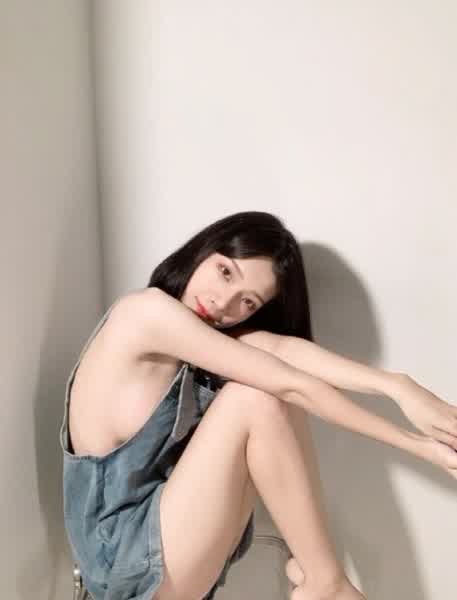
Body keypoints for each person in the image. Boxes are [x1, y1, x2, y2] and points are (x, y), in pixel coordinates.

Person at [60, 210, 457, 600]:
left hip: (164, 549)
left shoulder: (201, 338)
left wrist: (398, 387)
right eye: (225, 272)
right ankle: (326, 583)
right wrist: (418, 446)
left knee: (270, 388)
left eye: (248, 302)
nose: (222, 302)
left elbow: (284, 352)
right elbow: (292, 383)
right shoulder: (144, 314)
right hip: (118, 560)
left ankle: (321, 578)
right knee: (256, 395)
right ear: (202, 252)